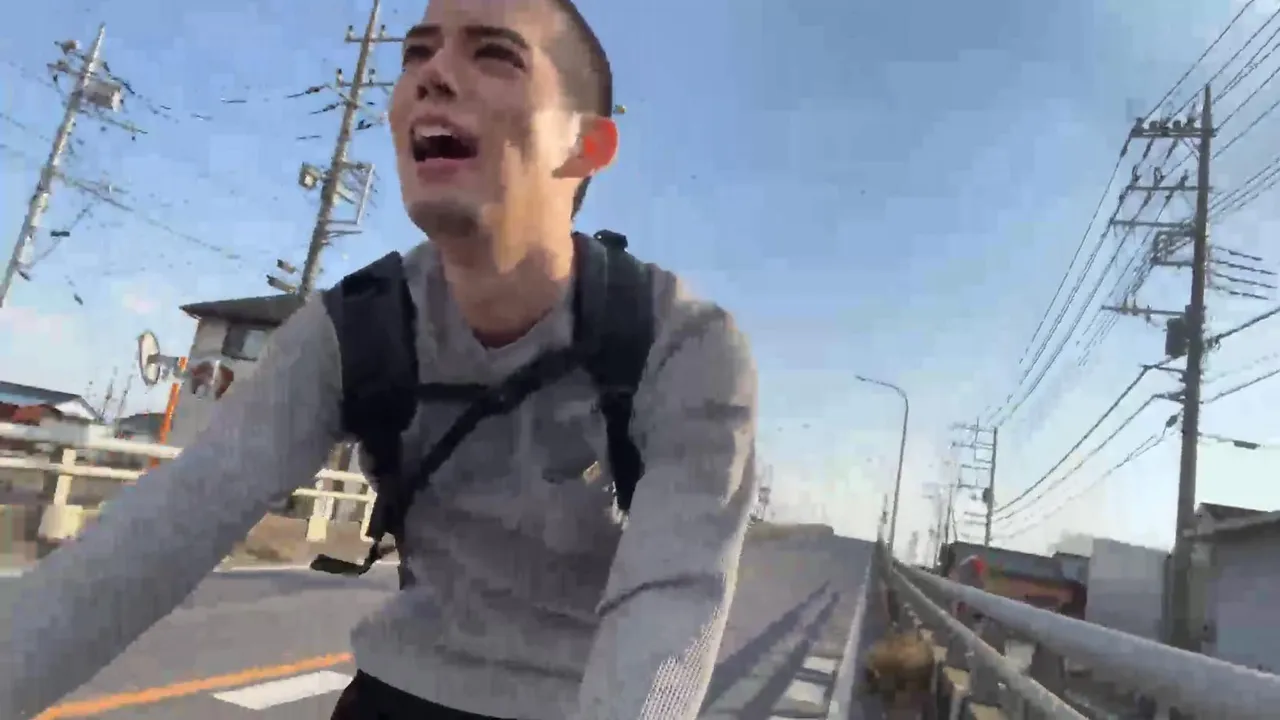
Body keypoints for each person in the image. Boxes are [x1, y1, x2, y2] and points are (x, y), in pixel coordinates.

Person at [0, 0, 758, 718]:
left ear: (585, 146)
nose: (432, 74)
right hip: (393, 694)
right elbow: (167, 525)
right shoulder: (353, 328)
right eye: (416, 55)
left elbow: (672, 597)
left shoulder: (682, 345)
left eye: (495, 55)